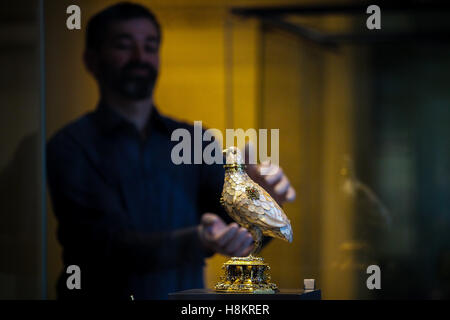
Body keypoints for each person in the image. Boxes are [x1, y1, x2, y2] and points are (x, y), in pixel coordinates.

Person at [47, 2, 295, 300]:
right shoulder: (72, 145)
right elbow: (103, 246)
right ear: (91, 60)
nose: (140, 57)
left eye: (150, 46)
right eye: (124, 45)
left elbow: (232, 233)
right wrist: (201, 239)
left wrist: (259, 201)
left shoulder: (194, 140)